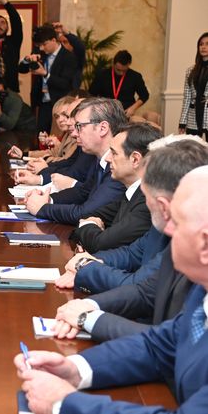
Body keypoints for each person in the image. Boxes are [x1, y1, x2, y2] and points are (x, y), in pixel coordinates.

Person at [14, 165, 208, 414]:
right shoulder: (201, 290)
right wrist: (74, 369)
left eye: (176, 223)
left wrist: (64, 403)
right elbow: (159, 347)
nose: (166, 230)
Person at [53, 138, 208, 343]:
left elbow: (167, 339)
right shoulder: (168, 228)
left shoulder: (178, 232)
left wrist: (85, 268)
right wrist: (88, 302)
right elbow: (135, 262)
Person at [24, 98, 127, 225]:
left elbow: (85, 213)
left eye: (79, 126)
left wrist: (43, 208)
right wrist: (48, 199)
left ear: (103, 128)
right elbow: (83, 192)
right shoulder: (101, 159)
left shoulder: (120, 166)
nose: (74, 134)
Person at [70, 123, 161, 254]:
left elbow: (100, 243)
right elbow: (85, 217)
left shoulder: (147, 202)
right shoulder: (130, 193)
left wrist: (88, 225)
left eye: (113, 153)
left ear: (135, 159)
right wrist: (88, 227)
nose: (107, 159)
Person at [19, 24, 78, 133]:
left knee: (59, 134)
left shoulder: (68, 57)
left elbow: (65, 83)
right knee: (41, 134)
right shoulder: (40, 53)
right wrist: (27, 60)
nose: (41, 48)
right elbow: (21, 69)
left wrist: (45, 74)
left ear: (54, 40)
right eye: (39, 45)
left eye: (44, 44)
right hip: (42, 102)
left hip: (60, 103)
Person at [89, 50, 150, 116]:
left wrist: (133, 108)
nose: (121, 73)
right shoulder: (102, 75)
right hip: (105, 113)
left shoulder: (135, 76)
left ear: (129, 64)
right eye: (118, 70)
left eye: (124, 70)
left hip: (126, 113)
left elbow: (144, 95)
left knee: (147, 118)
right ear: (113, 64)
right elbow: (91, 94)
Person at [178, 32, 208, 139]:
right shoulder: (190, 70)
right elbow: (187, 98)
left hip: (206, 112)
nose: (203, 47)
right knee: (192, 147)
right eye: (201, 44)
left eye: (207, 44)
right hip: (193, 116)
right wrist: (182, 122)